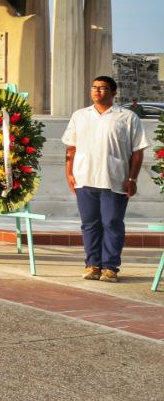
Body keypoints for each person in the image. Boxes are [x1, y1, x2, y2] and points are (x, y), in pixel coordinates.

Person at [63, 75, 149, 283]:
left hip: (116, 179)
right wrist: (69, 172)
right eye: (94, 87)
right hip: (85, 177)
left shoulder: (127, 117)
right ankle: (92, 265)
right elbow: (71, 147)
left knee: (112, 222)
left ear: (113, 92)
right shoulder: (79, 116)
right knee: (90, 223)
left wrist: (133, 178)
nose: (97, 91)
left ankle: (110, 267)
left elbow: (137, 151)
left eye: (102, 88)